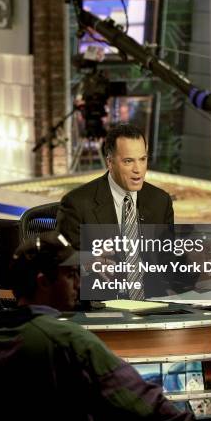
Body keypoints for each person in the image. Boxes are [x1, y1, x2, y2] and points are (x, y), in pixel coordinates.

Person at [0, 233, 211, 421]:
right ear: (43, 282)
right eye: (70, 275)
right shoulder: (67, 340)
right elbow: (137, 401)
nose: (79, 283)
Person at [57, 122, 174, 298]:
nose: (138, 170)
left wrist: (192, 263)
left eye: (143, 159)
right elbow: (60, 263)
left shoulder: (160, 201)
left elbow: (167, 261)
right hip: (101, 305)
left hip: (153, 303)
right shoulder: (77, 203)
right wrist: (86, 262)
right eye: (128, 161)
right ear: (110, 162)